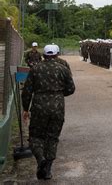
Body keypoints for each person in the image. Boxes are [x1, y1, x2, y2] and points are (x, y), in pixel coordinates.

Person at [21, 44, 75, 180]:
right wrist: (58, 94)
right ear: (57, 55)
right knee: (52, 137)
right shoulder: (63, 69)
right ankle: (48, 169)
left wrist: (26, 109)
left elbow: (27, 91)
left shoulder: (35, 69)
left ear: (44, 55)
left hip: (39, 106)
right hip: (57, 107)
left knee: (35, 136)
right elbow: (71, 88)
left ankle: (40, 159)